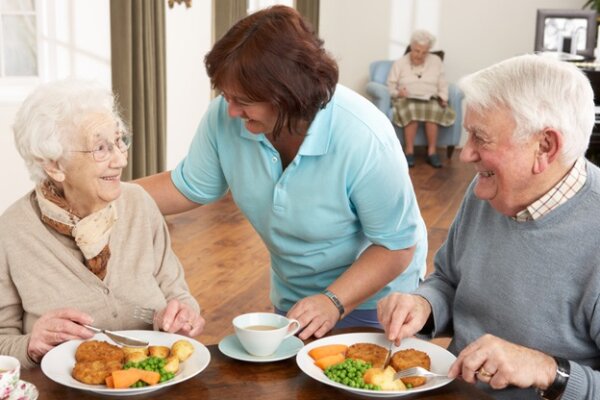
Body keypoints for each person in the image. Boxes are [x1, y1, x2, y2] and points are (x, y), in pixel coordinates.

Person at [137, 5, 427, 341]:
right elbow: (186, 187)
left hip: (377, 303)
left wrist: (334, 300)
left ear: (289, 95)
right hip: (296, 299)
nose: (230, 110)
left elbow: (396, 246)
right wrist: (102, 195)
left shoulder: (363, 135)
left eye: (243, 100)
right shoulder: (227, 117)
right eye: (225, 96)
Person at [377, 53, 600, 399]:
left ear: (545, 146)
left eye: (480, 138)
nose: (466, 154)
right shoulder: (489, 190)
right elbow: (449, 279)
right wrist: (424, 305)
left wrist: (546, 370)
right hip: (451, 389)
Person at [0, 80, 204, 369]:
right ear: (54, 165)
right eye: (100, 148)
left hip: (151, 380)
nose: (120, 159)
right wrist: (31, 344)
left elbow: (177, 293)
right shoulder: (11, 232)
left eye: (120, 141)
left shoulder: (139, 204)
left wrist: (183, 316)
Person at [386, 29, 456, 168]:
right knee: (411, 110)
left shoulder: (436, 61)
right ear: (411, 47)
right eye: (417, 51)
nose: (420, 55)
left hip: (430, 98)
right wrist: (399, 93)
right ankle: (409, 152)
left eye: (424, 52)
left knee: (434, 110)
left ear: (429, 50)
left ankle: (432, 153)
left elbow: (442, 82)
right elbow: (390, 86)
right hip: (406, 99)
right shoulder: (400, 63)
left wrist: (443, 97)